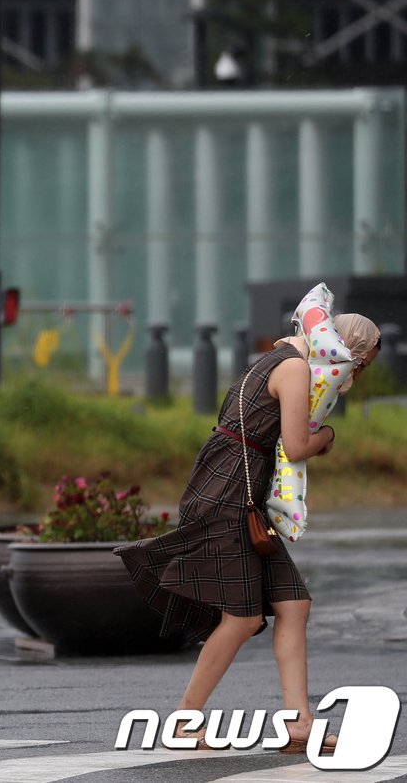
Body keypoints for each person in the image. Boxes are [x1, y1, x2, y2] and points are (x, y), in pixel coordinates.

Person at [116, 313, 381, 754]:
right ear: (346, 348)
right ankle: (186, 721)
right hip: (228, 497)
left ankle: (299, 725)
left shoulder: (277, 359)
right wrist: (328, 436)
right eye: (361, 362)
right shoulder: (293, 367)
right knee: (242, 618)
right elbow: (297, 445)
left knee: (294, 604)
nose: (357, 371)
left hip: (242, 497)